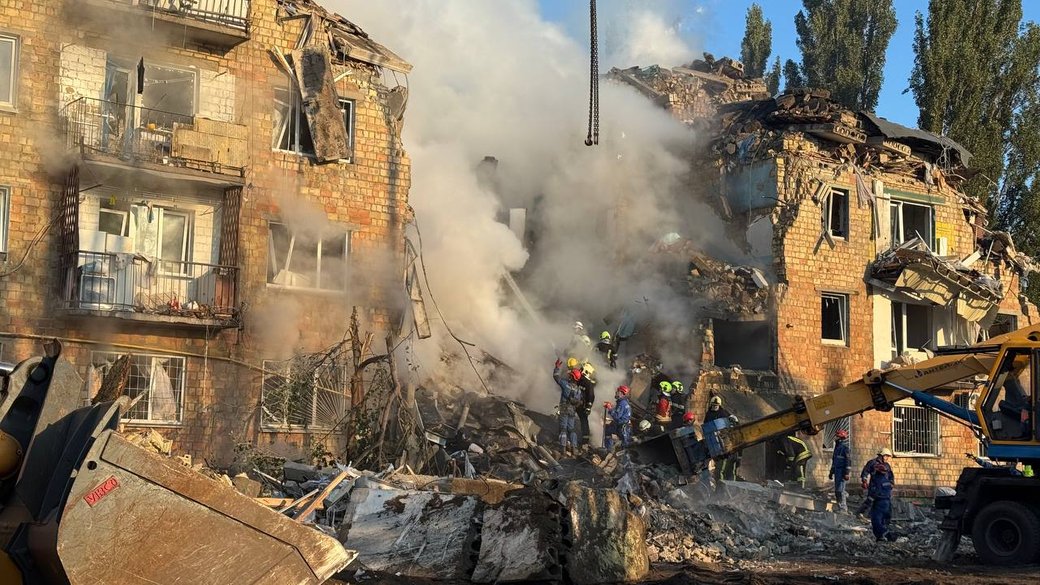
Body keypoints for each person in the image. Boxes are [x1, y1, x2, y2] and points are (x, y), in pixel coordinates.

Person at [861, 447, 896, 542]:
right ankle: (880, 536)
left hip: (881, 491)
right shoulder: (872, 463)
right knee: (878, 513)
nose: (887, 458)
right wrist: (864, 481)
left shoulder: (887, 466)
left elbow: (891, 476)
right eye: (886, 456)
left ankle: (883, 533)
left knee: (878, 516)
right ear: (881, 455)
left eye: (888, 456)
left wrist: (891, 483)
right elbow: (865, 472)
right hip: (877, 488)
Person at [552, 359, 584, 455]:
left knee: (563, 429)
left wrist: (557, 367)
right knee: (572, 429)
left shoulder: (565, 385)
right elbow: (579, 402)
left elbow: (556, 377)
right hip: (572, 411)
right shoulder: (578, 390)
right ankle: (574, 448)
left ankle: (563, 448)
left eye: (570, 375)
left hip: (564, 409)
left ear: (571, 377)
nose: (569, 376)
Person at [829, 429, 851, 511]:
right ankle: (840, 507)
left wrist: (847, 473)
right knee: (837, 490)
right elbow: (834, 461)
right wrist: (831, 472)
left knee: (840, 490)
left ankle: (843, 508)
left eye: (837, 436)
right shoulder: (837, 448)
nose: (835, 438)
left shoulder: (844, 448)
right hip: (837, 471)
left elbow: (848, 461)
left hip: (842, 472)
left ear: (840, 437)